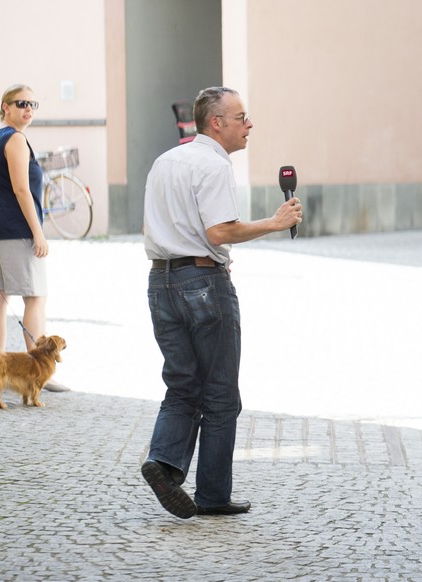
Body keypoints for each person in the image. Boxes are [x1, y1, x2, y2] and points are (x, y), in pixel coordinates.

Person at [140, 86, 302, 518]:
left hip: (160, 281)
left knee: (181, 383)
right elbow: (220, 232)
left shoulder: (165, 160)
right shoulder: (213, 165)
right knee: (221, 396)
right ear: (217, 123)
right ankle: (212, 495)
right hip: (203, 282)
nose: (249, 125)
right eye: (241, 117)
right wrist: (275, 221)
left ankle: (163, 462)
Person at [0, 85, 66, 390]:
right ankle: (40, 371)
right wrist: (38, 232)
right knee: (35, 297)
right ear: (6, 106)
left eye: (33, 104)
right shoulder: (15, 139)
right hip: (16, 230)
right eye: (22, 103)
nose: (28, 109)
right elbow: (21, 189)